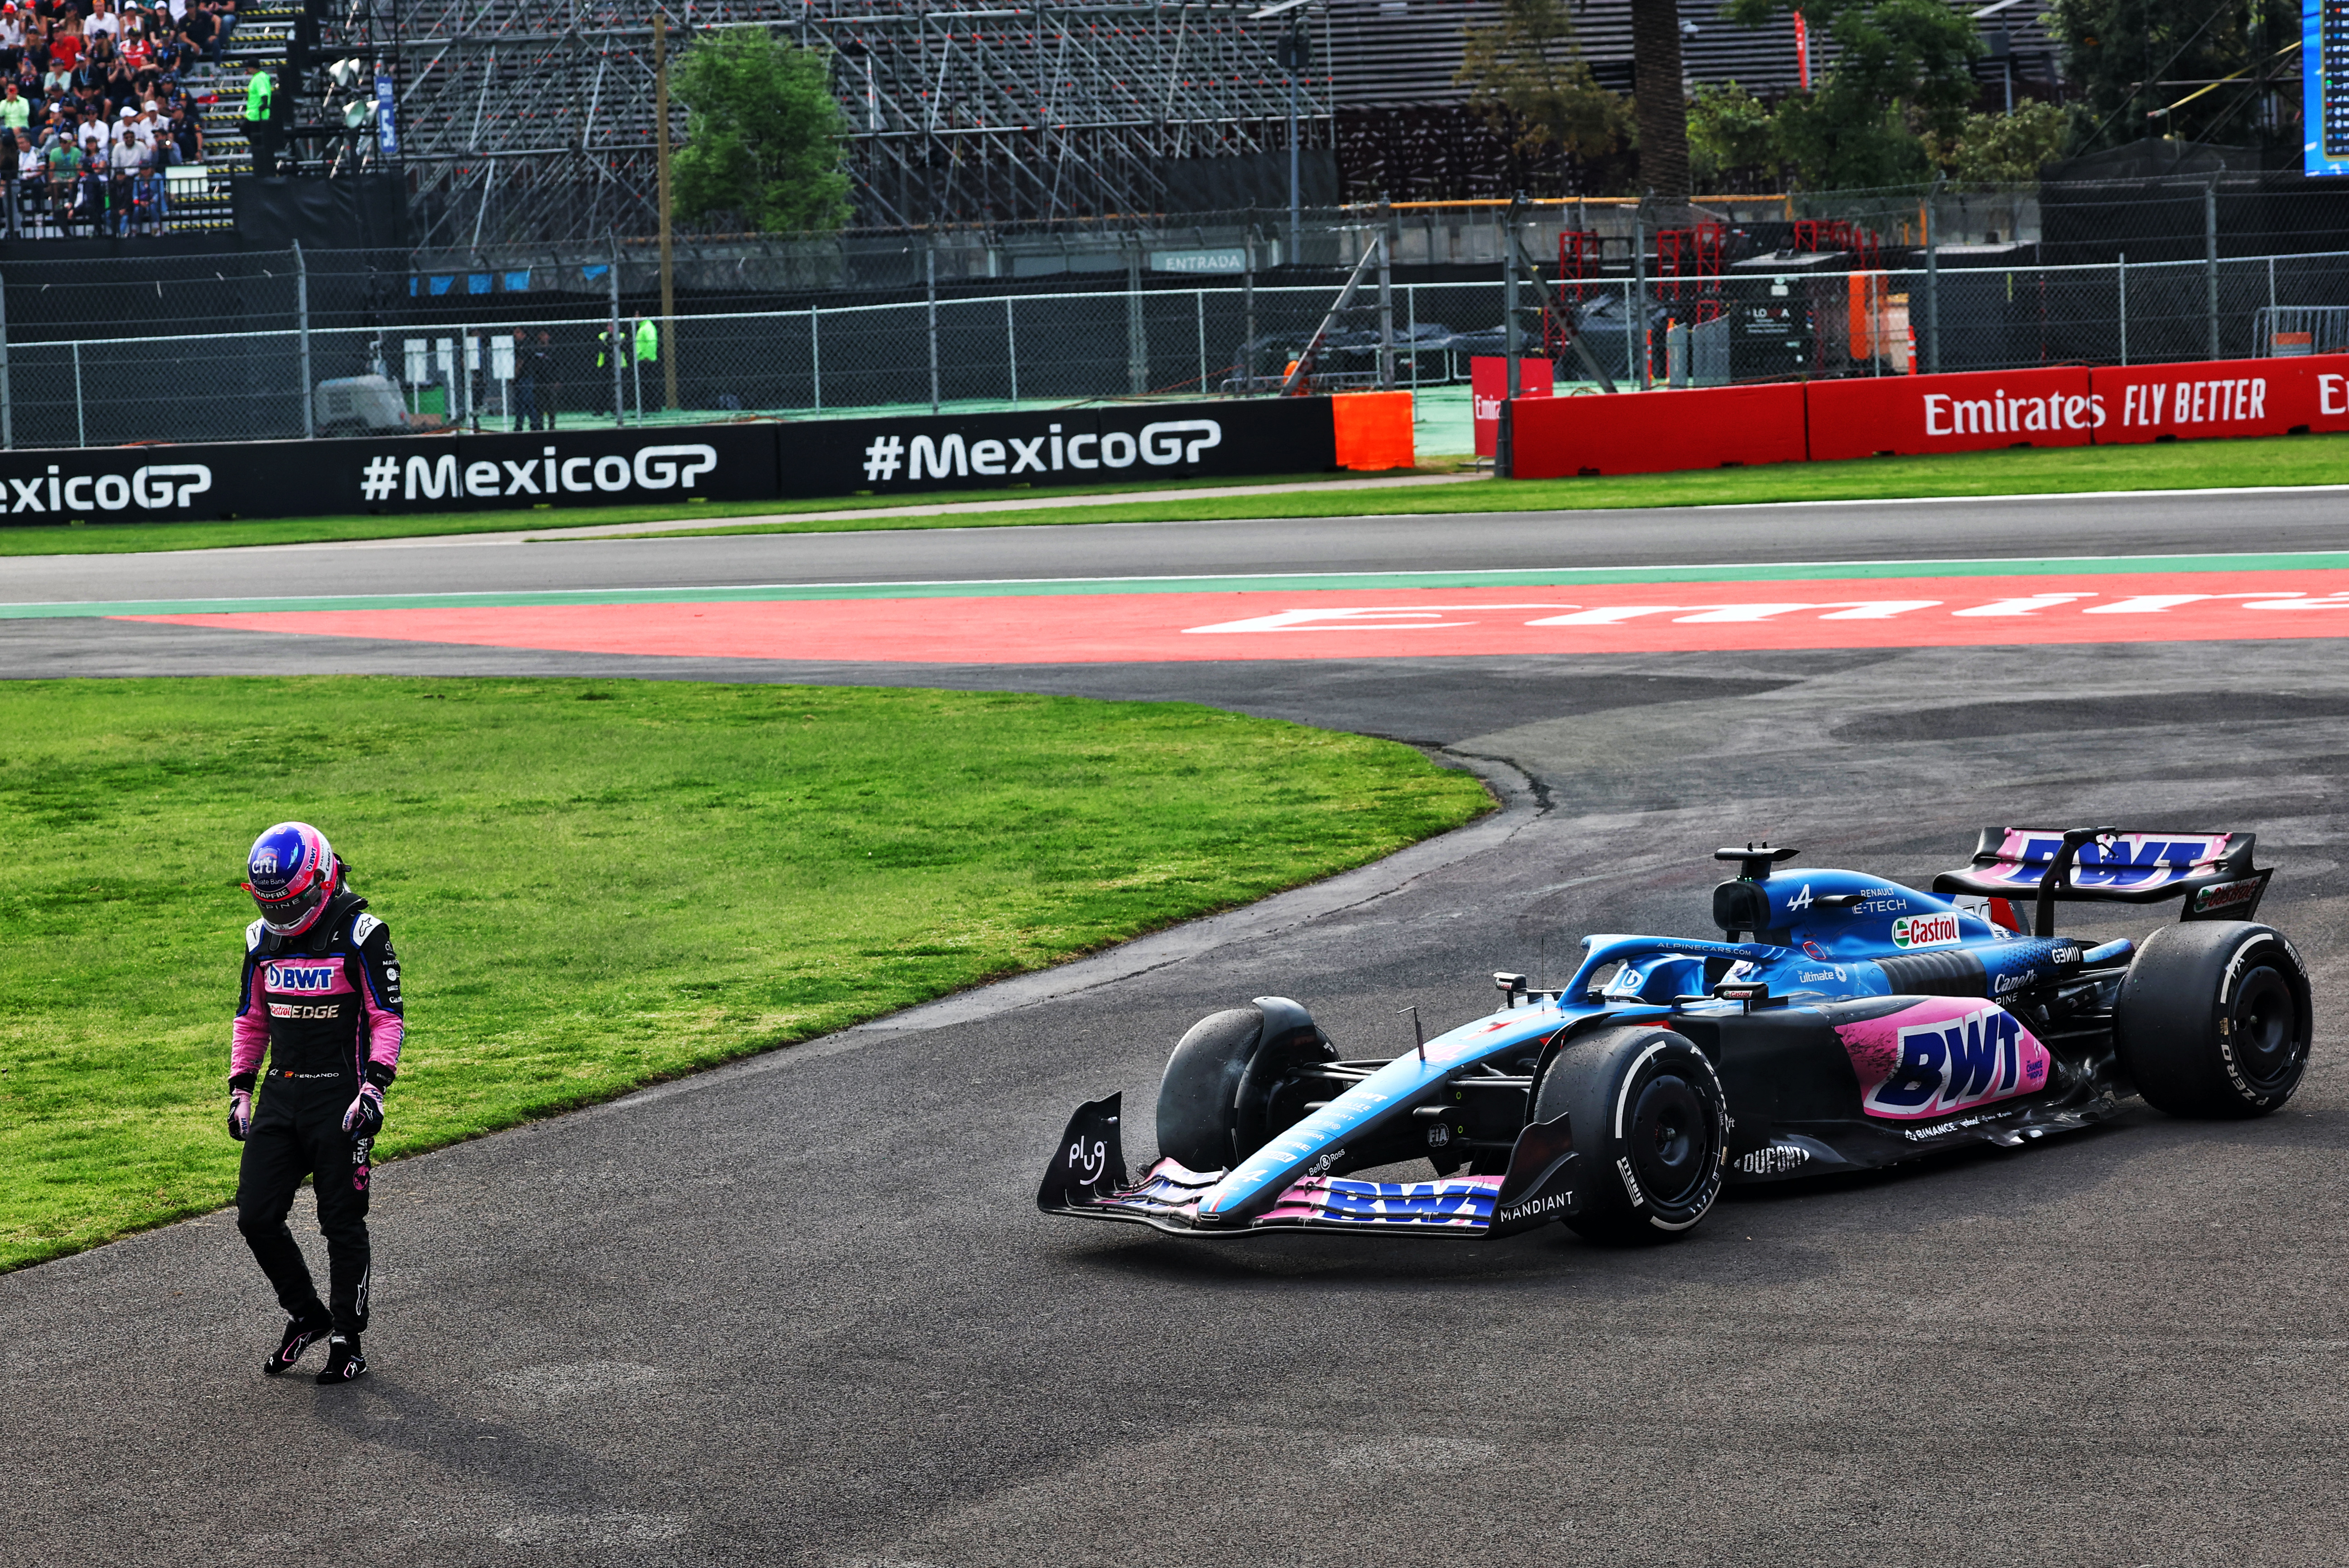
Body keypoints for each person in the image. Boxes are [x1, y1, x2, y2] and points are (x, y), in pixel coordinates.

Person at [227, 822, 402, 1385]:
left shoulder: (364, 933)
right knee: (255, 1214)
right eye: (272, 904)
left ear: (323, 879)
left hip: (340, 1096)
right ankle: (307, 1315)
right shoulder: (260, 938)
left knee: (341, 1220)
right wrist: (240, 1088)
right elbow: (251, 1018)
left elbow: (385, 1017)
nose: (284, 915)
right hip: (281, 1092)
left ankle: (349, 1337)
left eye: (295, 902)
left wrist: (374, 1089)